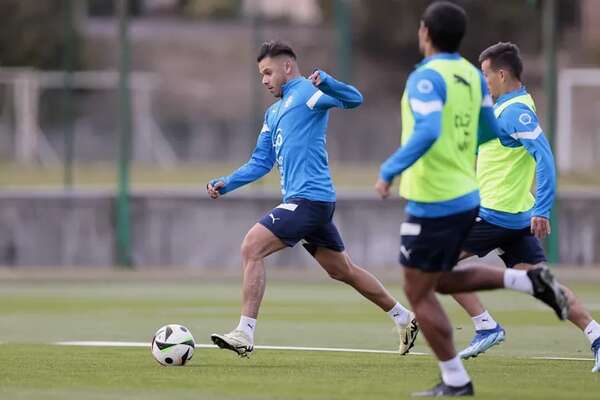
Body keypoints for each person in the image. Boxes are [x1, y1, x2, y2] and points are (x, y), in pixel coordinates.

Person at [374, 2, 569, 396]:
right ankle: (517, 294)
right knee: (438, 277)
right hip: (467, 195)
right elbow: (488, 132)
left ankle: (459, 374)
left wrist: (390, 169)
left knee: (418, 288)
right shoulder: (471, 77)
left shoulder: (425, 78)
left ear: (426, 33)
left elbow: (428, 130)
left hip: (434, 195)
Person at [207, 41, 419, 358]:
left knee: (252, 246)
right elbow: (260, 163)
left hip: (310, 200)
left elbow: (354, 99)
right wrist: (227, 183)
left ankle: (244, 333)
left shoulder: (308, 93)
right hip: (307, 203)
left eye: (268, 73)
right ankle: (405, 318)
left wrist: (329, 82)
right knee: (342, 270)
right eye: (261, 75)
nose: (264, 80)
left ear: (288, 67)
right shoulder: (273, 113)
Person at [450, 42, 600, 373]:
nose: (484, 80)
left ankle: (486, 325)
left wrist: (543, 209)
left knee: (434, 263)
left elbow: (544, 158)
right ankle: (596, 335)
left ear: (502, 74)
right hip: (511, 216)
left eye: (486, 74)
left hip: (494, 214)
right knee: (541, 283)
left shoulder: (516, 112)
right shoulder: (506, 108)